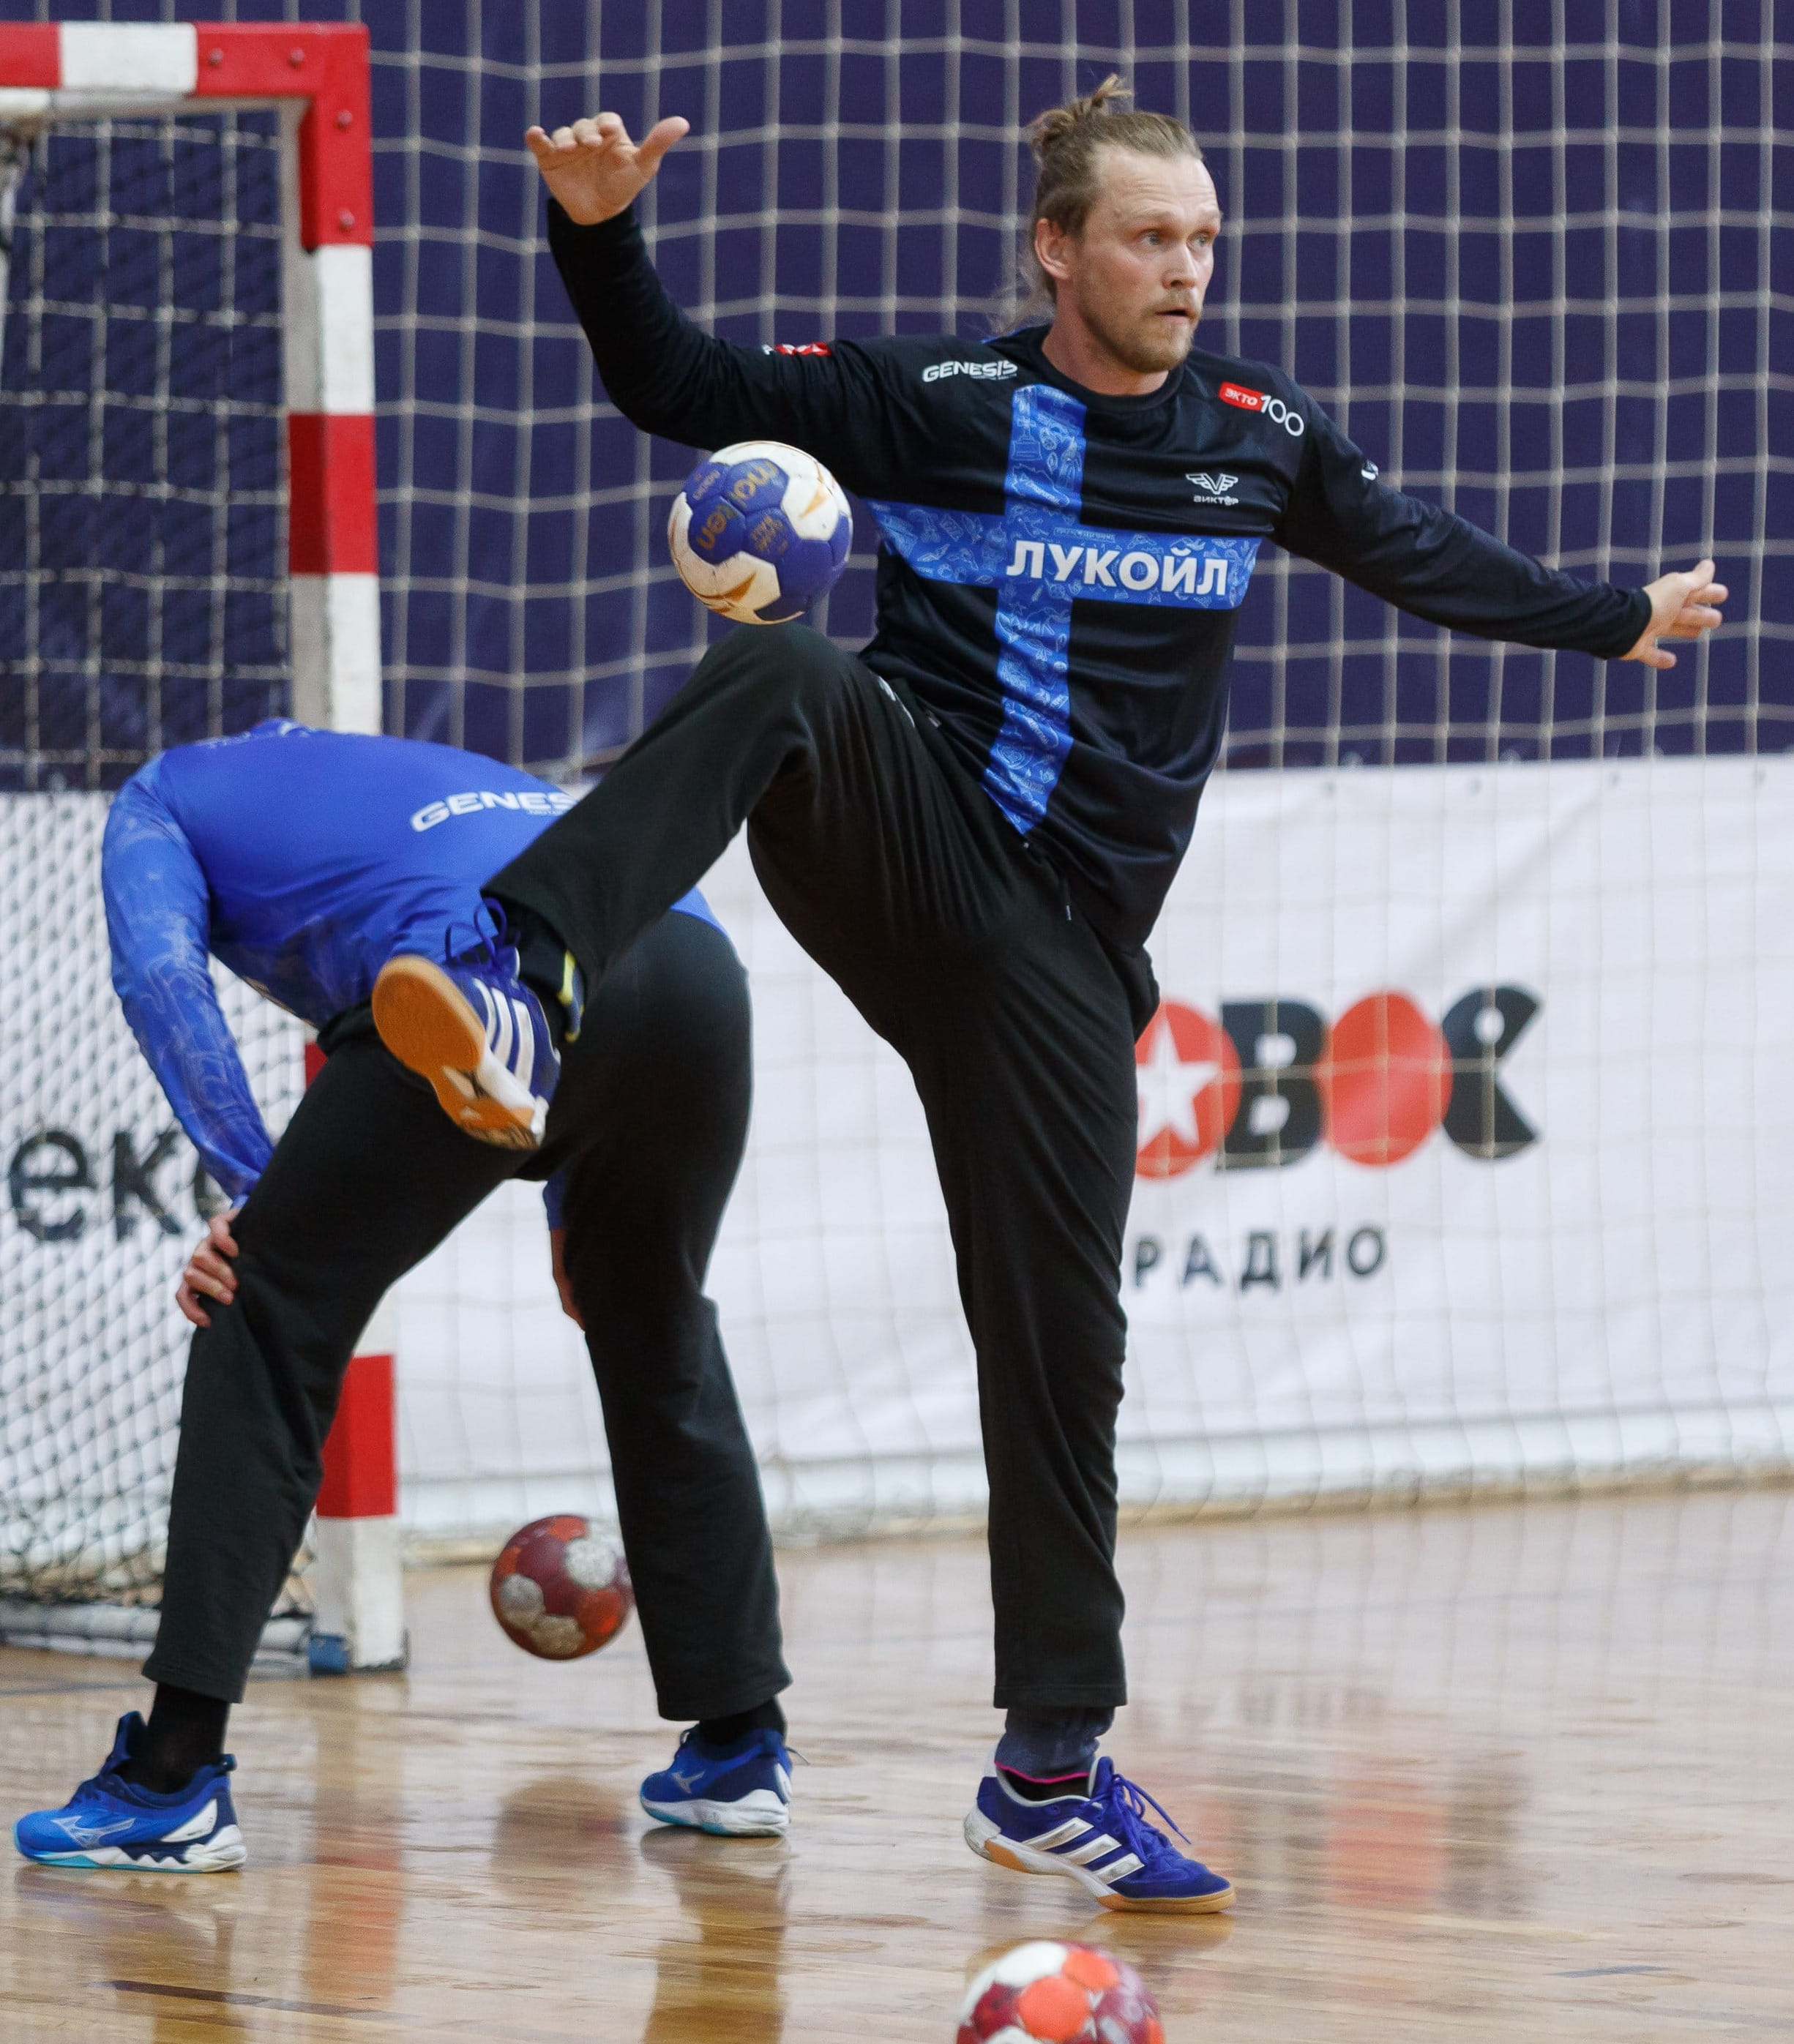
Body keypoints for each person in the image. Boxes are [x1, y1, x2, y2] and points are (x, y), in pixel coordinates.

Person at [370, 79, 1726, 1917]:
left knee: (1060, 1347)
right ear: (1056, 248)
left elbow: (1417, 550)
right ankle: (524, 970)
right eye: (1150, 236)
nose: (1185, 268)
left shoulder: (1254, 436)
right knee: (781, 666)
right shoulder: (941, 403)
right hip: (911, 835)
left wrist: (1608, 613)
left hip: (1066, 958)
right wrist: (598, 236)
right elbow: (678, 386)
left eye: (1202, 239)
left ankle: (1045, 1769)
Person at [14, 719, 793, 1871]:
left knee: (260, 1306)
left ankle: (170, 1780)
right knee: (657, 1326)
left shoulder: (159, 798)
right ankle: (740, 1747)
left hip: (478, 976)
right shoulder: (428, 769)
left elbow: (162, 977)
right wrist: (575, 1206)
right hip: (692, 976)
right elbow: (587, 913)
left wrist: (255, 1193)